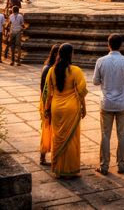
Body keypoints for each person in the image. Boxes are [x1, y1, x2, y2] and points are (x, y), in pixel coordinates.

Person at [93, 34, 124, 175]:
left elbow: (95, 81)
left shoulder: (101, 61)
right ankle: (121, 165)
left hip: (106, 102)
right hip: (123, 103)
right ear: (121, 45)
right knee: (122, 135)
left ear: (108, 45)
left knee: (105, 135)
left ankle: (104, 166)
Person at [43, 43, 88, 178]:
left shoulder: (52, 70)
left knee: (57, 137)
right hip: (72, 108)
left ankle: (58, 169)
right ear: (70, 54)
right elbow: (81, 91)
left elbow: (47, 92)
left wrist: (46, 108)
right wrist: (83, 107)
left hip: (56, 107)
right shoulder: (76, 70)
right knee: (72, 139)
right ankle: (70, 170)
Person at [39, 44, 59, 166]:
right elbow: (43, 89)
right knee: (46, 129)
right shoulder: (47, 68)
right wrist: (47, 106)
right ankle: (42, 156)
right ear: (55, 54)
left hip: (54, 102)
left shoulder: (55, 68)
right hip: (47, 102)